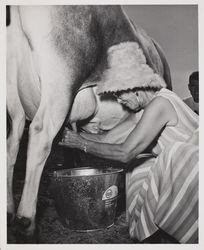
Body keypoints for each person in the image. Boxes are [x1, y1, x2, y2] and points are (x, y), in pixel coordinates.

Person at [59, 48, 198, 243]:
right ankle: (154, 232)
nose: (119, 101)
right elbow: (109, 140)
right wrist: (71, 136)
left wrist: (79, 143)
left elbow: (125, 152)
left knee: (157, 157)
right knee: (139, 167)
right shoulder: (145, 110)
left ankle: (173, 229)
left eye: (118, 94)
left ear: (135, 88)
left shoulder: (161, 103)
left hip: (195, 168)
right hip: (181, 172)